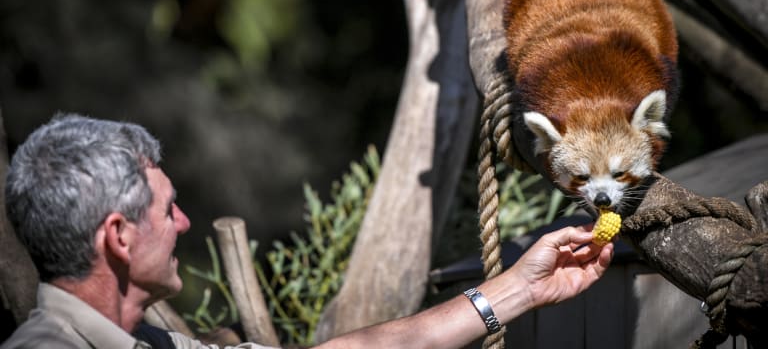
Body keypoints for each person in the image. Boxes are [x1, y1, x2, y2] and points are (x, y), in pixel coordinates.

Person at [1, 113, 614, 349]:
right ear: (119, 236)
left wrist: (519, 291)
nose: (184, 223)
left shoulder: (151, 346)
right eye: (167, 210)